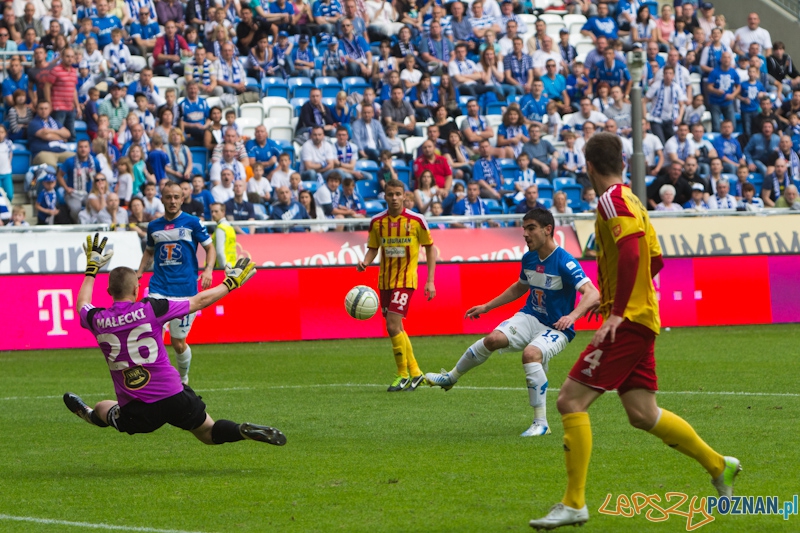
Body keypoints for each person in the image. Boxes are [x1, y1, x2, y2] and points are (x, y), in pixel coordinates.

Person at [529, 133, 741, 530]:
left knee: (570, 401)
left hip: (628, 321)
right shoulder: (633, 201)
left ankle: (574, 503)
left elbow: (631, 251)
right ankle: (719, 465)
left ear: (589, 166)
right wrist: (619, 299)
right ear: (623, 163)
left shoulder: (611, 200)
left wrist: (617, 311)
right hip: (643, 318)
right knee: (643, 413)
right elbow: (654, 260)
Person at [64, 234, 285, 447]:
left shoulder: (97, 319)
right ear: (136, 289)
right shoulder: (151, 308)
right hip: (173, 395)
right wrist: (230, 283)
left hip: (137, 409)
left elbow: (82, 304)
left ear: (109, 291)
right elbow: (198, 301)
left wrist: (91, 269)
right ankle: (240, 431)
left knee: (102, 407)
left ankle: (88, 413)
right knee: (208, 433)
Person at [428, 206, 599, 435]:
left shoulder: (564, 261)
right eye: (524, 229)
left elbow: (592, 293)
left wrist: (572, 316)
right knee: (492, 339)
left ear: (548, 229)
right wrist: (487, 306)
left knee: (530, 354)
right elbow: (520, 287)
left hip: (557, 327)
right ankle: (451, 377)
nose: (525, 234)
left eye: (531, 228)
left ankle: (541, 423)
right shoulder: (529, 258)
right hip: (530, 316)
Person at [357, 179, 436, 391]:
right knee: (398, 327)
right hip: (385, 281)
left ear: (404, 196)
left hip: (406, 280)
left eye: (398, 194)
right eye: (390, 194)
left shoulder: (416, 220)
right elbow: (373, 247)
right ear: (385, 196)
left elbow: (430, 248)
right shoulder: (377, 222)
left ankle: (402, 375)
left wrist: (430, 280)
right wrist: (365, 261)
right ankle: (416, 373)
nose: (394, 198)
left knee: (392, 326)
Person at [135, 181, 217, 386]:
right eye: (168, 197)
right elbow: (149, 251)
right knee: (151, 336)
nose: (172, 201)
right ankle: (156, 380)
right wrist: (139, 273)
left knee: (178, 343)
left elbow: (210, 248)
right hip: (158, 289)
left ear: (182, 199)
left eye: (176, 197)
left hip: (185, 291)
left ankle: (182, 379)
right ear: (162, 199)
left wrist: (208, 269)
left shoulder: (192, 222)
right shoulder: (154, 226)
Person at [210, 202, 237, 267]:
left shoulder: (220, 228)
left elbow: (219, 252)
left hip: (224, 266)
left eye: (216, 211)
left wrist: (223, 268)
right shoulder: (229, 227)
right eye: (212, 211)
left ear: (223, 212)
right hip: (232, 264)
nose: (213, 214)